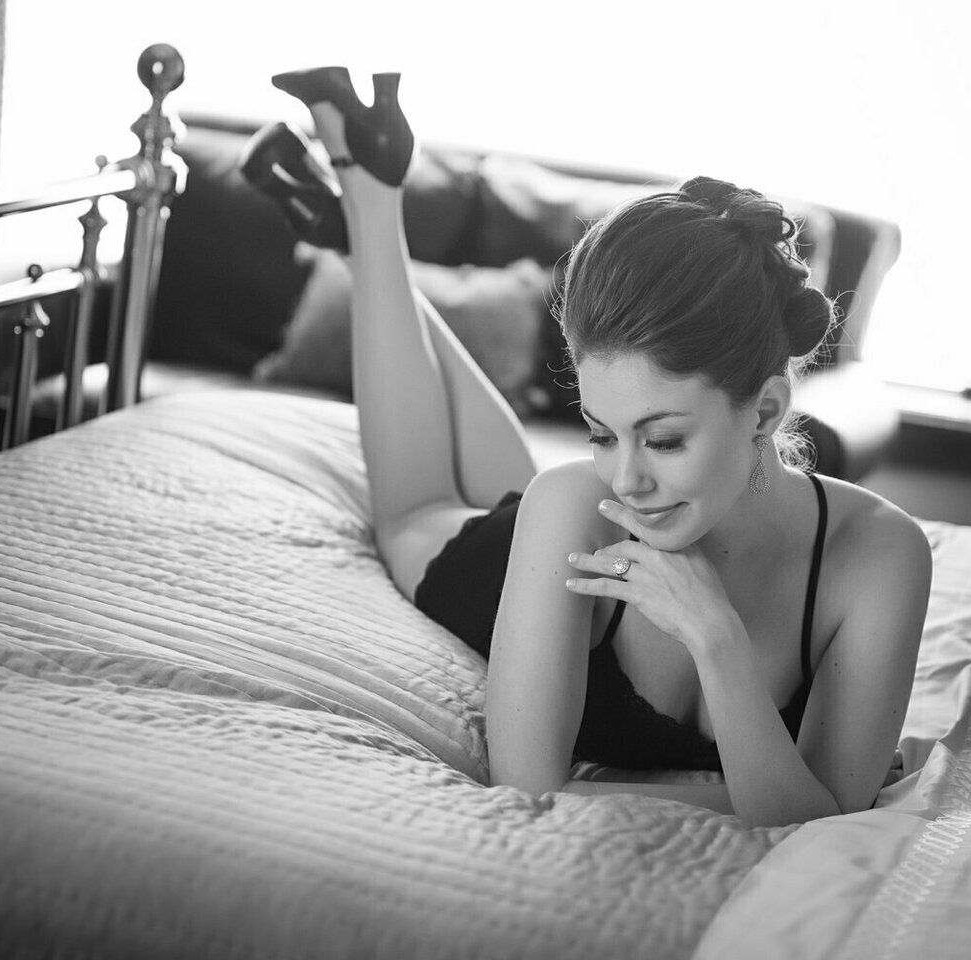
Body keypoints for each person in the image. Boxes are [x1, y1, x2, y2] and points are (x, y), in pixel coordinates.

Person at [255, 66, 933, 828]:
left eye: (664, 439)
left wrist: (717, 640)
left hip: (570, 531)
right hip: (544, 547)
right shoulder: (579, 498)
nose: (627, 478)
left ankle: (361, 232)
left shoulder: (882, 557)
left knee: (541, 491)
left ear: (766, 409)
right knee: (417, 514)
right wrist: (756, 790)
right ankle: (372, 209)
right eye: (601, 433)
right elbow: (528, 791)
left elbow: (823, 818)